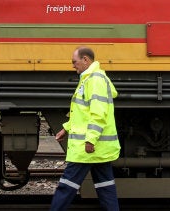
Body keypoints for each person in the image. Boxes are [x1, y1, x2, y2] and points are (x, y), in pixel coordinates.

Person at [50, 46, 120, 211]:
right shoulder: (89, 79)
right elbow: (83, 113)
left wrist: (90, 140)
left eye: (74, 62)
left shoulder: (94, 80)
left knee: (66, 187)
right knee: (106, 187)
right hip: (97, 148)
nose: (73, 66)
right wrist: (66, 128)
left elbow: (98, 114)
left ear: (85, 60)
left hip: (88, 148)